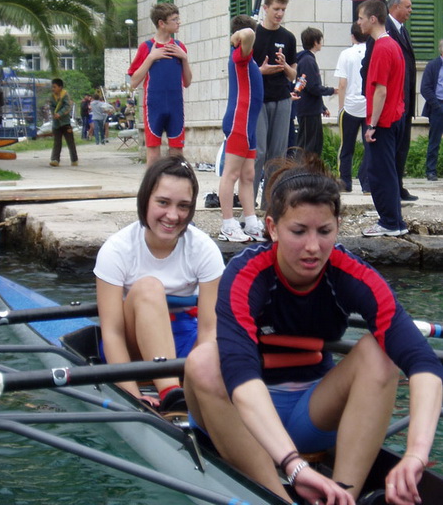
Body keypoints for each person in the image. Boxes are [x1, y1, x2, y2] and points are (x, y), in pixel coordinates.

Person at [184, 153, 443, 505]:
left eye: (324, 232)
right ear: (272, 228)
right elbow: (240, 379)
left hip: (310, 415)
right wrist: (293, 467)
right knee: (203, 361)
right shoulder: (245, 275)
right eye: (298, 231)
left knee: (379, 353)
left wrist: (415, 454)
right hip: (242, 416)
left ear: (338, 226)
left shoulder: (352, 273)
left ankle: (343, 495)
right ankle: (279, 498)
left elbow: (424, 363)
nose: (312, 247)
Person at [94, 155, 224, 409]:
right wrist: (133, 398)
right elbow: (112, 333)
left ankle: (178, 392)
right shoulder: (116, 250)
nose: (172, 216)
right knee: (149, 288)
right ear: (145, 200)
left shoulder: (205, 249)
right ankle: (172, 393)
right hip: (131, 350)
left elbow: (210, 331)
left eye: (183, 206)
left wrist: (200, 380)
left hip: (185, 346)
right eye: (163, 202)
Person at [357, 0, 408, 237]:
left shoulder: (381, 47)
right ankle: (396, 221)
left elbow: (380, 90)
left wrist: (372, 124)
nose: (359, 22)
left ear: (373, 19)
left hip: (384, 121)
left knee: (378, 174)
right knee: (389, 172)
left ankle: (389, 222)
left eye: (361, 18)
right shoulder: (394, 45)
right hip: (396, 117)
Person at [361, 0, 417, 202]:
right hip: (387, 107)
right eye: (407, 6)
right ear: (394, 7)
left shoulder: (400, 32)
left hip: (401, 103)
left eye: (360, 18)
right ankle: (387, 203)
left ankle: (395, 193)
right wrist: (373, 107)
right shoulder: (382, 37)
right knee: (382, 161)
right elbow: (369, 71)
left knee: (399, 150)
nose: (411, 10)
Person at [218, 14, 264, 243]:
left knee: (248, 175)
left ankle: (251, 222)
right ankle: (227, 224)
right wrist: (237, 35)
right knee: (231, 174)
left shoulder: (248, 59)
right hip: (239, 122)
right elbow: (248, 34)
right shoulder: (240, 54)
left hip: (249, 125)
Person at [128, 3, 192, 167]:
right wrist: (151, 58)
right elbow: (133, 82)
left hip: (175, 106)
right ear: (162, 23)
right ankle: (152, 183)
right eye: (174, 19)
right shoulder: (147, 47)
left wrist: (184, 58)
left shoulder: (179, 47)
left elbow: (187, 82)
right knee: (153, 153)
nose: (179, 22)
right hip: (154, 106)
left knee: (177, 153)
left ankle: (176, 182)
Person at [252, 0, 297, 209]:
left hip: (281, 98)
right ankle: (248, 203)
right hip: (258, 100)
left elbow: (293, 75)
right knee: (258, 152)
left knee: (277, 155)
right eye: (276, 9)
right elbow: (241, 69)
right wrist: (260, 71)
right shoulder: (253, 35)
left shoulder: (288, 37)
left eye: (283, 10)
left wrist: (284, 65)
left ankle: (269, 204)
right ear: (265, 8)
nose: (279, 13)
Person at [334, 22, 370, 193]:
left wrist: (340, 107)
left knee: (346, 147)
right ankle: (367, 183)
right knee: (369, 147)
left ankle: (345, 182)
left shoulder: (346, 54)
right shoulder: (372, 51)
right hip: (368, 105)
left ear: (352, 36)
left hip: (350, 105)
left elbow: (342, 83)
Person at [296, 27, 337, 157]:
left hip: (311, 108)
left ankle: (309, 167)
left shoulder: (306, 59)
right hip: (308, 110)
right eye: (320, 40)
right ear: (315, 42)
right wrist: (332, 90)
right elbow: (313, 87)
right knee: (308, 146)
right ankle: (302, 168)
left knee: (314, 144)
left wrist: (322, 107)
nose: (322, 43)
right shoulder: (308, 61)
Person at [421, 38, 443, 181]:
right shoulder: (432, 65)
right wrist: (437, 105)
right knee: (434, 141)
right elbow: (425, 88)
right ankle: (431, 171)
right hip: (437, 106)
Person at [49, 78, 78, 167]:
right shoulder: (52, 97)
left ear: (60, 87)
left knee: (70, 142)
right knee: (57, 142)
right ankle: (55, 160)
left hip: (65, 123)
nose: (53, 89)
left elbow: (67, 106)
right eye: (52, 87)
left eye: (55, 87)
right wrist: (54, 113)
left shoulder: (65, 95)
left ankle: (74, 160)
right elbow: (51, 106)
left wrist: (60, 114)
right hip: (56, 124)